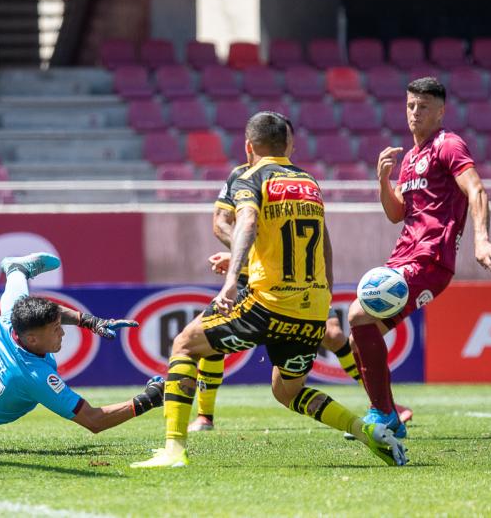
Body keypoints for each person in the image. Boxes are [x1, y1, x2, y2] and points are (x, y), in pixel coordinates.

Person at [131, 112, 408, 468]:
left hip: (265, 301)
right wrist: (323, 293)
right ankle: (367, 431)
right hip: (309, 308)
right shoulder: (309, 182)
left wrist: (232, 278)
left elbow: (244, 220)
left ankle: (174, 450)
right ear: (287, 144)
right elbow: (323, 241)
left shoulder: (250, 177)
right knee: (286, 391)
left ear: (249, 146)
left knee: (186, 343)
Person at [348, 77, 491, 437]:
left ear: (441, 111)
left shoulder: (448, 145)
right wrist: (383, 181)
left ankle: (382, 413)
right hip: (404, 255)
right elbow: (396, 213)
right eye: (410, 106)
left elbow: (476, 189)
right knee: (361, 330)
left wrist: (481, 240)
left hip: (430, 259)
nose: (415, 113)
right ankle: (388, 416)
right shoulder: (410, 159)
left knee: (358, 313)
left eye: (423, 107)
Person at [0, 252, 164, 433]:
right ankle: (13, 270)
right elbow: (94, 420)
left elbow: (47, 312)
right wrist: (149, 399)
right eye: (56, 330)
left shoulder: (11, 323)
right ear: (32, 338)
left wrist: (91, 322)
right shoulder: (34, 376)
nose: (63, 333)